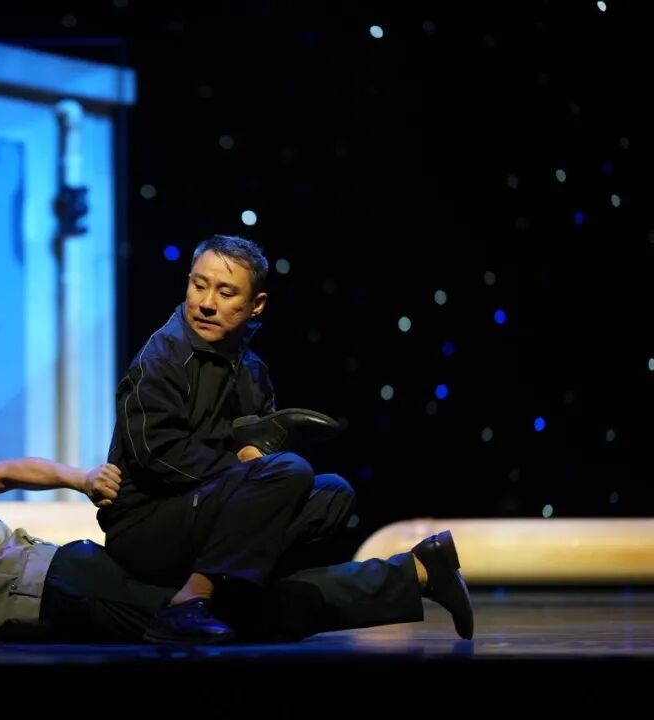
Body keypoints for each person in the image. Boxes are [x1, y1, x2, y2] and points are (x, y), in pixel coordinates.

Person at [100, 234, 473, 642]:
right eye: (199, 285)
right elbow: (158, 456)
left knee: (332, 494)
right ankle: (190, 600)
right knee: (289, 472)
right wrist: (245, 468)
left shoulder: (252, 370)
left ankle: (237, 588)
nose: (206, 303)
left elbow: (258, 453)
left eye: (225, 292)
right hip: (147, 526)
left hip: (209, 512)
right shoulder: (162, 358)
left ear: (256, 304)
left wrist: (257, 458)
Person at [0, 456, 472, 644]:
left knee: (229, 624)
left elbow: (3, 474)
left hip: (61, 580)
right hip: (42, 628)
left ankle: (411, 572)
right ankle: (416, 570)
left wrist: (78, 478)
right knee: (234, 619)